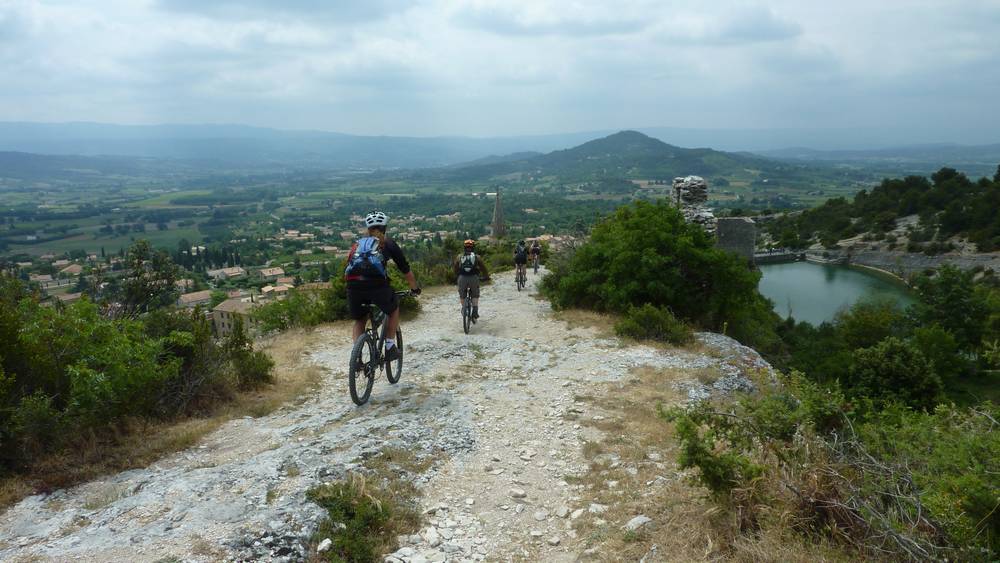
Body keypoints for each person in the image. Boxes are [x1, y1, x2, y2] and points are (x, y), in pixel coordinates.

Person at [344, 211, 420, 361]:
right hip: (377, 286)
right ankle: (390, 347)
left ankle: (356, 357)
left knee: (360, 320)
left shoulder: (358, 244)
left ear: (368, 228)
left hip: (353, 286)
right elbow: (405, 270)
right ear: (385, 227)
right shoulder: (388, 244)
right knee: (393, 309)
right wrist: (414, 288)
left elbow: (348, 267)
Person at [453, 239, 489, 319]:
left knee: (462, 295)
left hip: (462, 278)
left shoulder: (459, 256)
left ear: (464, 247)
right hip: (474, 278)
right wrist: (486, 277)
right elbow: (483, 268)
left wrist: (457, 276)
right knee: (475, 294)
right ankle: (475, 311)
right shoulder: (477, 257)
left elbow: (455, 267)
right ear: (473, 247)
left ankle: (464, 309)